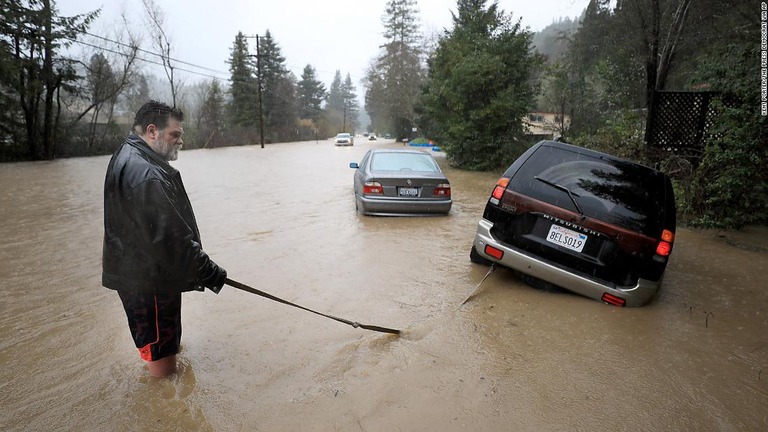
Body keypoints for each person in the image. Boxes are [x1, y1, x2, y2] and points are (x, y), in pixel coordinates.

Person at [102, 100, 227, 378]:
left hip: (139, 275)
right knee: (163, 365)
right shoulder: (147, 173)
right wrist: (211, 273)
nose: (180, 141)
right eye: (175, 135)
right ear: (152, 131)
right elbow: (172, 241)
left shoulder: (127, 154)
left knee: (159, 345)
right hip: (150, 282)